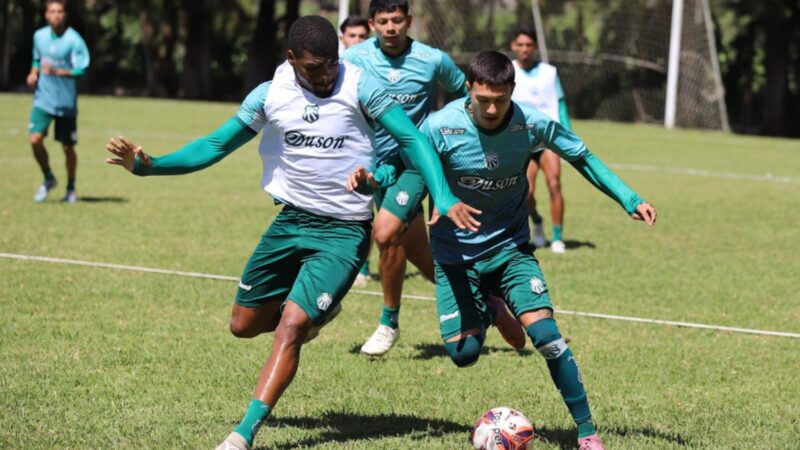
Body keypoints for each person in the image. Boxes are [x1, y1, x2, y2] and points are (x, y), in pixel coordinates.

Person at [105, 16, 479, 450]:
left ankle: (242, 435)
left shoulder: (361, 87)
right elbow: (214, 145)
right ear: (291, 59)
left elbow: (413, 140)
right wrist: (151, 167)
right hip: (289, 223)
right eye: (314, 68)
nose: (325, 76)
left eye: (331, 65)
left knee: (290, 326)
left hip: (343, 230)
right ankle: (314, 314)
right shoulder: (270, 94)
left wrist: (444, 195)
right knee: (243, 325)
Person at [351, 50, 656, 450]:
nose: (492, 108)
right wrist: (372, 182)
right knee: (463, 353)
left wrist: (629, 199)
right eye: (483, 100)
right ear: (468, 92)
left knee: (546, 337)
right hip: (455, 258)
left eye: (500, 99)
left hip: (511, 249)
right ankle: (492, 307)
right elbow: (399, 165)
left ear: (512, 90)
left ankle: (587, 432)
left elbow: (582, 156)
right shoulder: (441, 126)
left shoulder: (530, 123)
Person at [342, 0, 471, 357]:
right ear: (371, 24)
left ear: (409, 21)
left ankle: (388, 323)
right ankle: (481, 300)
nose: (391, 28)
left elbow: (466, 97)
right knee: (413, 249)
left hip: (415, 163)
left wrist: (448, 135)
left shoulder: (432, 60)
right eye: (383, 21)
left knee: (383, 233)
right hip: (373, 166)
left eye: (397, 20)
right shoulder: (353, 60)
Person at [509, 24, 571, 253]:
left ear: (534, 47)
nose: (524, 49)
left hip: (548, 139)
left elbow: (561, 104)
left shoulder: (549, 72)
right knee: (527, 192)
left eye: (529, 45)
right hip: (522, 140)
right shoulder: (509, 71)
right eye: (520, 44)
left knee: (554, 183)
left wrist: (568, 136)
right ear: (513, 46)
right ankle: (536, 221)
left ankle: (557, 237)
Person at [27, 0, 90, 204]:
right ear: (46, 14)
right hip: (43, 99)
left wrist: (58, 71)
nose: (56, 15)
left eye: (60, 11)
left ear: (65, 15)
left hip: (66, 103)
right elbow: (37, 59)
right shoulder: (39, 36)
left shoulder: (74, 40)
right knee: (35, 139)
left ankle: (71, 187)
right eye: (52, 11)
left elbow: (82, 69)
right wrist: (33, 73)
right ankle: (48, 177)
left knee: (67, 148)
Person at [338, 14, 372, 287]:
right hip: (343, 150)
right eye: (353, 36)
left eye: (363, 37)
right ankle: (358, 264)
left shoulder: (370, 73)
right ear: (342, 38)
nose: (357, 41)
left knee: (375, 211)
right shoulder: (330, 71)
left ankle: (368, 263)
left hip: (374, 149)